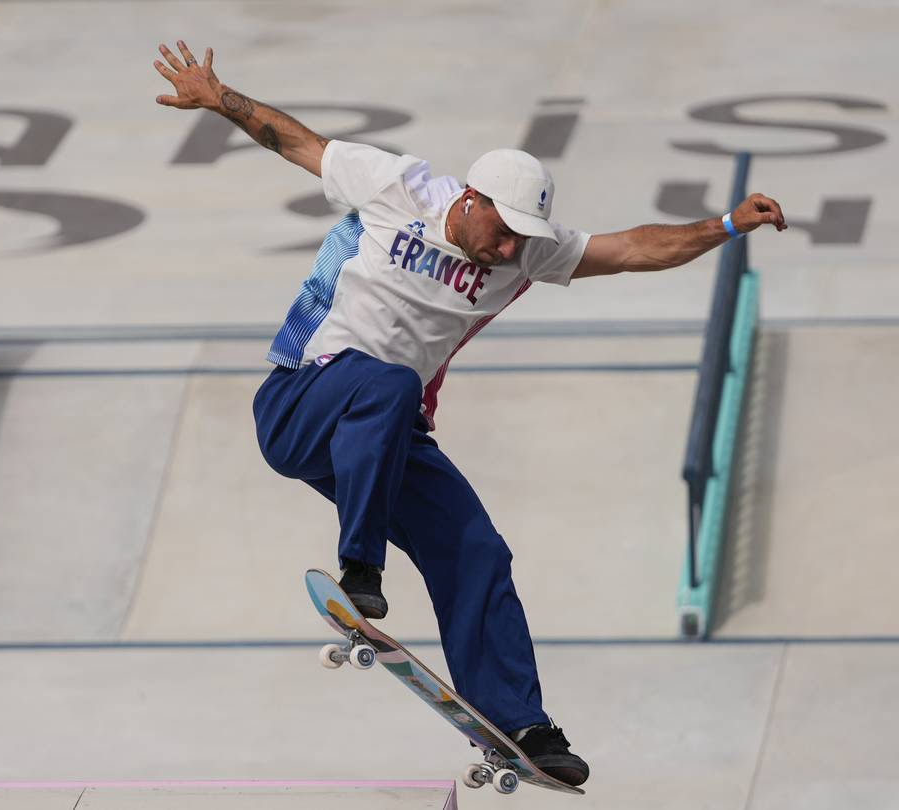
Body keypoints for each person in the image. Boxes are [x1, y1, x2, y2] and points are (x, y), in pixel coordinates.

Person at [152, 40, 787, 787]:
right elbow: (293, 140)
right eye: (503, 230)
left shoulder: (525, 254)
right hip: (301, 403)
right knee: (387, 384)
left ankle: (521, 720)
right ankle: (363, 565)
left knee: (477, 547)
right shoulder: (399, 187)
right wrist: (220, 97)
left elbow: (633, 250)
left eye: (524, 239)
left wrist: (727, 225)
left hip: (384, 436)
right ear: (470, 200)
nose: (511, 248)